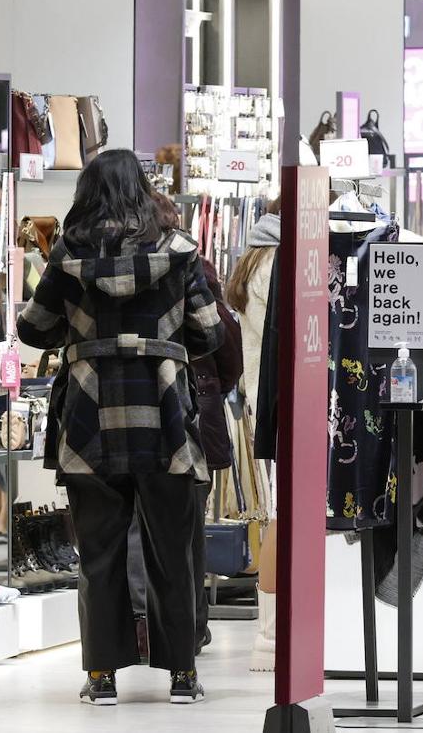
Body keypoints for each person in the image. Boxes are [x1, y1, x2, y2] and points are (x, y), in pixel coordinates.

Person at [17, 149, 224, 705]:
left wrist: (79, 329)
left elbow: (33, 330)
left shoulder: (67, 256)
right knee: (171, 549)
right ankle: (182, 674)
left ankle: (101, 676)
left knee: (99, 552)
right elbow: (209, 332)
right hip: (164, 418)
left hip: (89, 417)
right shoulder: (179, 253)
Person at [127, 195, 242, 659]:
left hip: (140, 411)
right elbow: (223, 339)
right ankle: (189, 628)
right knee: (187, 526)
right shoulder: (194, 264)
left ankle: (146, 628)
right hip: (193, 405)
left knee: (142, 523)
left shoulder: (116, 264)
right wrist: (215, 383)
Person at [225, 203, 280, 671]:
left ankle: (271, 633)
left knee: (280, 516)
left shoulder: (258, 257)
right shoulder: (277, 261)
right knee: (284, 518)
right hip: (285, 409)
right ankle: (270, 635)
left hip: (267, 406)